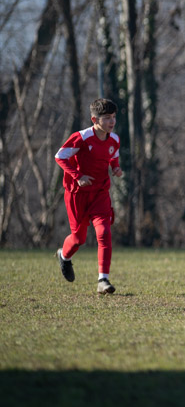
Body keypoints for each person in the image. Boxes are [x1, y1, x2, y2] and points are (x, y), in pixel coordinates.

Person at [54, 98, 123, 295]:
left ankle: (103, 280)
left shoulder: (114, 139)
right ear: (94, 119)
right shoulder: (81, 137)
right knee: (78, 238)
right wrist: (78, 176)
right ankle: (64, 256)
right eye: (107, 117)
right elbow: (60, 156)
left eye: (113, 117)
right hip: (78, 195)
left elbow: (113, 155)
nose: (111, 121)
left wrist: (115, 168)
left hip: (100, 193)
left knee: (104, 232)